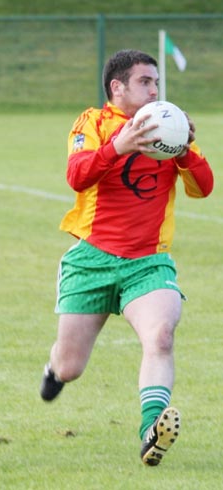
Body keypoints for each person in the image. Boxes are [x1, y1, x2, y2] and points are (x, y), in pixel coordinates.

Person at [39, 49, 213, 466]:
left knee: (161, 335)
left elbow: (204, 187)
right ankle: (53, 368)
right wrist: (120, 145)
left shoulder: (167, 122)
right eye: (145, 82)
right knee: (70, 368)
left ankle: (151, 431)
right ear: (117, 87)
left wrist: (184, 147)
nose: (155, 90)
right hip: (92, 260)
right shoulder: (93, 122)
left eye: (157, 82)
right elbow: (77, 176)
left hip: (148, 262)